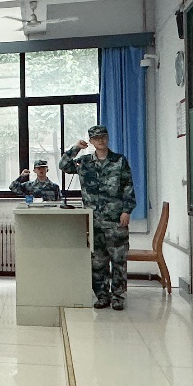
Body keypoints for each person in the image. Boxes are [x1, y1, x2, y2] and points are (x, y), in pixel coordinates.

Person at [57, 125, 136, 311]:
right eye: (96, 138)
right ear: (91, 141)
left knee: (118, 261)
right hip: (94, 220)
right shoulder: (84, 162)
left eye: (103, 137)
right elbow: (63, 165)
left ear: (108, 138)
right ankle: (102, 296)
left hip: (116, 220)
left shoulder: (119, 161)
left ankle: (118, 297)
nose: (100, 140)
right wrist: (75, 148)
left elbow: (128, 187)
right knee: (98, 262)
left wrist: (127, 211)